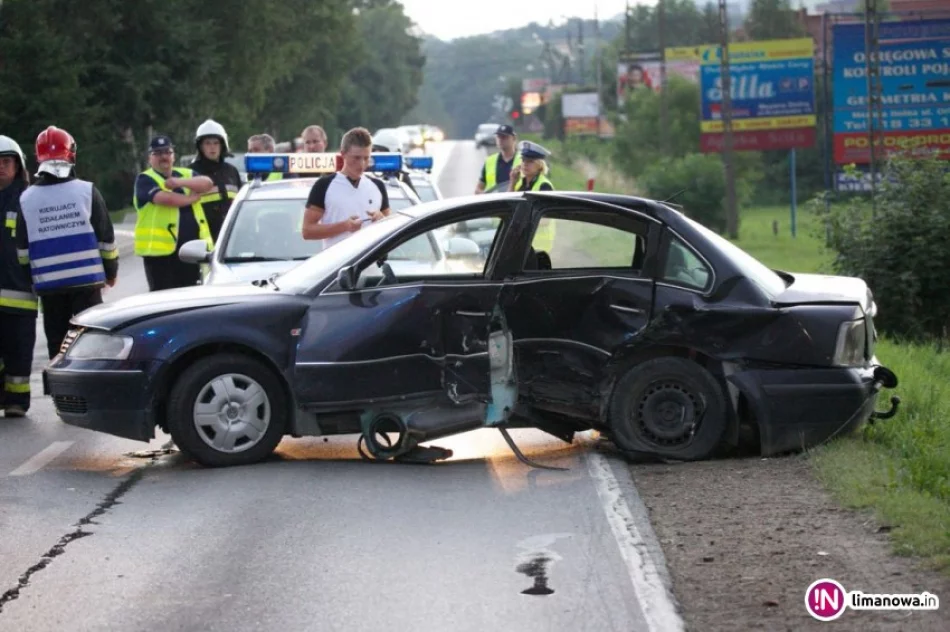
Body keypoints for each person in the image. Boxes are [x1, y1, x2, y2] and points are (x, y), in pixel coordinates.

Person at [17, 126, 119, 360]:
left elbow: (22, 252)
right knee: (93, 343)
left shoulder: (26, 199)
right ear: (71, 155)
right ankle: (91, 391)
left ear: (38, 157)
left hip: (50, 288)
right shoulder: (87, 191)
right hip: (88, 284)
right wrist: (111, 273)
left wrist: (30, 281)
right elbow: (106, 240)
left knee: (58, 347)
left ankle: (61, 393)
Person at [133, 135, 215, 292]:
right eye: (157, 153)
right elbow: (164, 198)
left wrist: (179, 182)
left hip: (191, 252)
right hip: (160, 256)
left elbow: (207, 184)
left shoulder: (185, 174)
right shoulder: (145, 179)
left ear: (173, 155)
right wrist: (191, 199)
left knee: (191, 297)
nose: (163, 156)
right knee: (162, 300)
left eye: (167, 152)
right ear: (150, 158)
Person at [301, 127, 390, 248]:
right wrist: (345, 226)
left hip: (371, 265)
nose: (362, 164)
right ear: (343, 154)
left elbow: (390, 228)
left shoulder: (378, 186)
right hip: (336, 264)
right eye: (356, 158)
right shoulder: (324, 186)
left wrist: (382, 220)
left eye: (366, 158)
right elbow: (307, 231)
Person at [0, 135, 35, 417]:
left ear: (18, 165)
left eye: (6, 162)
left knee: (19, 352)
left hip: (21, 292)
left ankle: (17, 401)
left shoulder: (29, 199)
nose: (1, 167)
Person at [188, 119, 243, 241]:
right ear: (200, 147)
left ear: (222, 145)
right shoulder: (191, 173)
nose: (212, 147)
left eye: (216, 143)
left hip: (231, 236)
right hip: (202, 237)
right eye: (207, 143)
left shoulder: (232, 171)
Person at [509, 141, 556, 255]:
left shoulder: (544, 186)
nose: (525, 164)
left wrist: (521, 223)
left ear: (540, 165)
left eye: (530, 161)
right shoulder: (521, 184)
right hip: (523, 242)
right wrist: (512, 182)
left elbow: (545, 220)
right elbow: (509, 206)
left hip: (539, 245)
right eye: (523, 160)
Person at [475, 124, 521, 194]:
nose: (501, 140)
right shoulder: (490, 160)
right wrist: (485, 196)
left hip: (516, 203)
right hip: (494, 203)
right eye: (498, 137)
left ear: (514, 138)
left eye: (504, 137)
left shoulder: (523, 160)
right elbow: (478, 189)